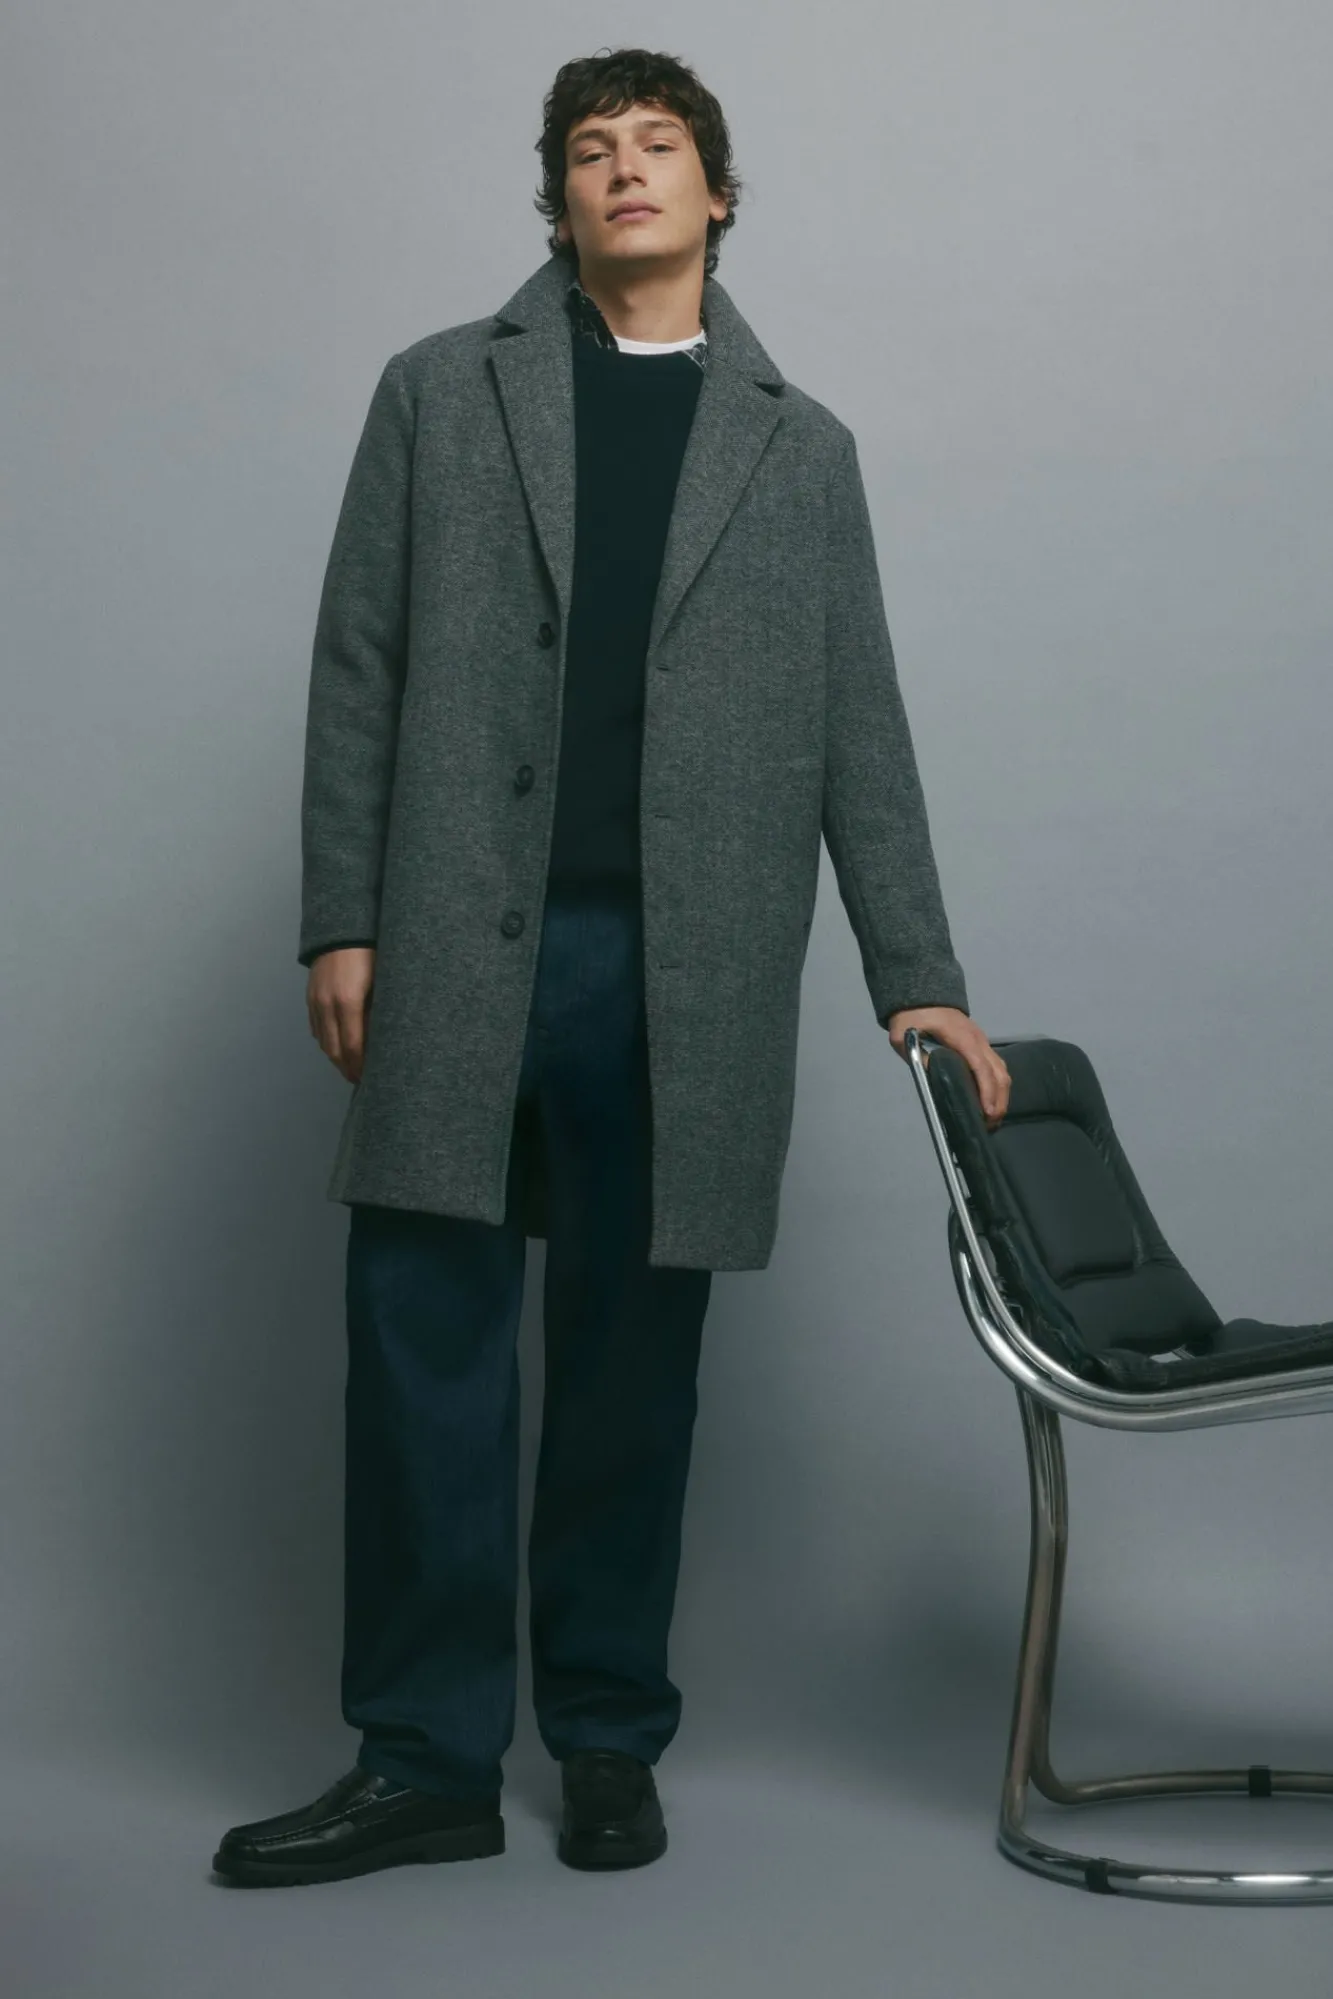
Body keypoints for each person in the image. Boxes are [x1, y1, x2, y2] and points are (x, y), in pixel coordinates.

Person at [212, 46, 1011, 1889]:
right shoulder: (443, 390)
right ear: (559, 197)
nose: (625, 169)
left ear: (718, 194)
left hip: (686, 974)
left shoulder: (801, 451)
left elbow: (861, 726)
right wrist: (344, 916)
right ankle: (421, 1756)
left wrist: (920, 970)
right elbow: (360, 659)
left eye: (660, 145)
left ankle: (604, 1737)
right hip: (459, 950)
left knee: (631, 1371)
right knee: (422, 1353)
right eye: (590, 148)